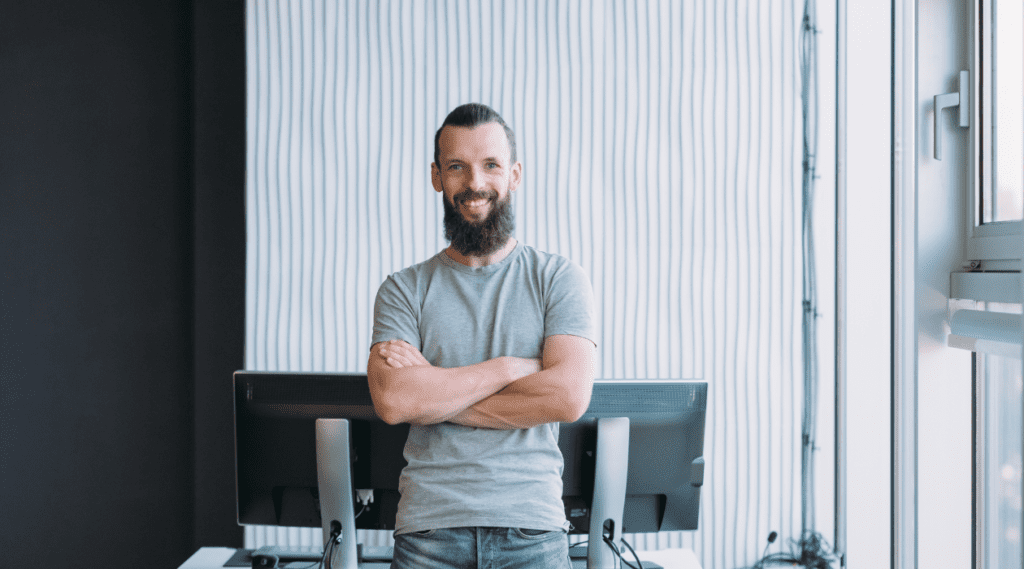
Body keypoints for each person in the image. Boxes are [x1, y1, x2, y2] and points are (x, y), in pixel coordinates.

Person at [367, 103, 598, 569]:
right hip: (429, 531)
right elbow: (394, 401)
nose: (475, 183)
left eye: (490, 165)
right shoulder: (402, 289)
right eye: (457, 167)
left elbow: (568, 397)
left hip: (532, 530)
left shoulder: (559, 278)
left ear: (514, 175)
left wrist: (434, 392)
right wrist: (509, 368)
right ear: (437, 177)